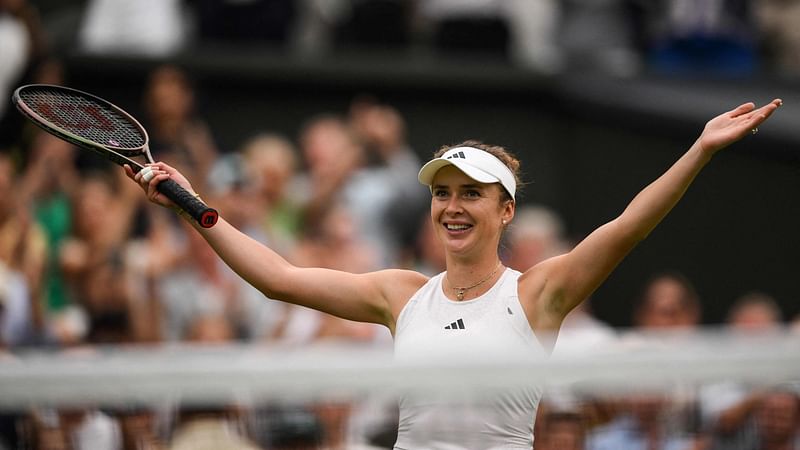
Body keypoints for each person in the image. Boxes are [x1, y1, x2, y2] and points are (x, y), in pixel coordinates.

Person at [126, 99, 782, 449]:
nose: (453, 206)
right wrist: (194, 207)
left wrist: (698, 151)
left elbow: (629, 225)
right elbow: (277, 277)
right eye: (443, 193)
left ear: (506, 210)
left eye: (472, 193)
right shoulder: (400, 293)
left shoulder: (539, 293)